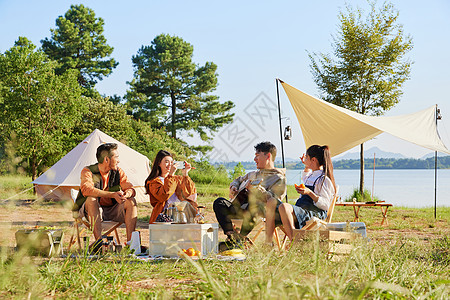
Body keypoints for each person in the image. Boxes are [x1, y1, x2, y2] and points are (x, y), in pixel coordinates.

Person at [213, 141, 286, 248]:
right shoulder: (253, 174)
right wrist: (234, 187)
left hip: (258, 213)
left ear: (268, 156)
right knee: (219, 202)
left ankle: (240, 238)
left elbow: (274, 200)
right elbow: (237, 180)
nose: (254, 159)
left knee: (255, 205)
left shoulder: (278, 179)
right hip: (240, 208)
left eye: (257, 156)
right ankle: (231, 236)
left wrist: (257, 190)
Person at [72, 143, 137, 246]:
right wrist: (112, 195)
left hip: (110, 210)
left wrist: (126, 194)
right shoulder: (88, 171)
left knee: (131, 201)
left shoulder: (118, 172)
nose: (119, 160)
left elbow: (131, 189)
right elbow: (86, 190)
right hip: (89, 211)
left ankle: (131, 243)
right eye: (116, 157)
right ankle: (99, 243)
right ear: (106, 159)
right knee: (91, 199)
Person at [269, 145, 336, 241]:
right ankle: (268, 243)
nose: (304, 159)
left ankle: (295, 241)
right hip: (302, 210)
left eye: (306, 158)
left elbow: (325, 205)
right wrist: (306, 165)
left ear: (313, 160)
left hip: (314, 213)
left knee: (284, 207)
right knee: (272, 202)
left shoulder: (324, 179)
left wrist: (309, 193)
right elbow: (306, 177)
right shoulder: (312, 175)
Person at [145, 150, 197, 224]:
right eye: (166, 162)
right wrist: (171, 175)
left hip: (182, 213)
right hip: (165, 216)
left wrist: (185, 174)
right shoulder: (154, 182)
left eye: (171, 162)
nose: (170, 165)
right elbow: (163, 195)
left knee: (187, 205)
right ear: (159, 163)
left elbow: (190, 194)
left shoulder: (177, 178)